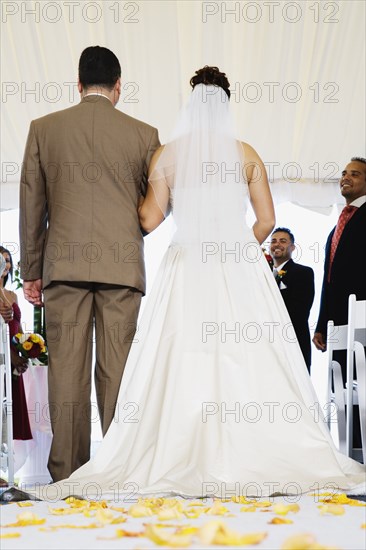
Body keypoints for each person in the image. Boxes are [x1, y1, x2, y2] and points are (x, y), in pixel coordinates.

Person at [31, 67, 365, 501]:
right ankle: (258, 448)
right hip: (236, 264)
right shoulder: (245, 152)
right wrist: (237, 250)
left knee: (181, 354)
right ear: (226, 105)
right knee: (248, 356)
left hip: (186, 262)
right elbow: (265, 220)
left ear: (191, 104)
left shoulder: (169, 155)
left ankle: (180, 448)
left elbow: (149, 218)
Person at [19, 46, 160, 482]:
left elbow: (31, 203)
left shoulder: (44, 129)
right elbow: (157, 204)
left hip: (64, 268)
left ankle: (67, 476)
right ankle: (120, 472)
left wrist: (31, 270)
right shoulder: (144, 134)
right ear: (118, 87)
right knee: (118, 372)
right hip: (122, 270)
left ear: (78, 85)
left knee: (66, 376)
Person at [313, 157, 366, 452]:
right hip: (339, 324)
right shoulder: (335, 230)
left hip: (364, 319)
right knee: (344, 389)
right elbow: (328, 280)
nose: (346, 177)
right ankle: (352, 454)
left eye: (355, 174)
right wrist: (322, 324)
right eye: (344, 173)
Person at [0, 247, 32, 447]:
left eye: (8, 260)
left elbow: (18, 330)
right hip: (2, 357)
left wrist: (25, 352)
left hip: (13, 358)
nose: (6, 264)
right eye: (2, 260)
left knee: (8, 414)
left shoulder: (12, 294)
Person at [270, 228, 315, 371]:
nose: (277, 244)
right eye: (273, 241)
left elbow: (300, 312)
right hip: (267, 344)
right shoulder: (261, 274)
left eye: (283, 241)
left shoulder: (303, 273)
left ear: (293, 247)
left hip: (293, 342)